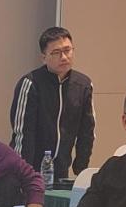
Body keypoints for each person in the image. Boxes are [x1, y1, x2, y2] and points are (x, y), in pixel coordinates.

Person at [10, 26, 95, 180]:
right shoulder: (31, 83)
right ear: (44, 57)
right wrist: (23, 176)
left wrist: (81, 168)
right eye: (56, 53)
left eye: (67, 50)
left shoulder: (83, 85)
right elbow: (23, 135)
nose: (64, 57)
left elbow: (87, 131)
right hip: (31, 171)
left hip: (61, 171)